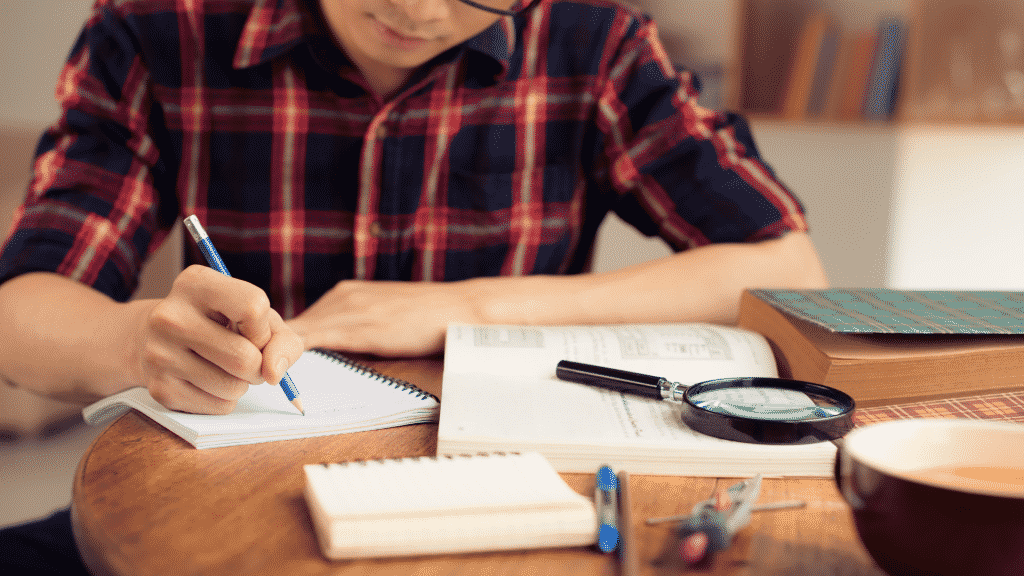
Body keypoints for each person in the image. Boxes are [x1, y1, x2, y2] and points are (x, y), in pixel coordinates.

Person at [0, 0, 827, 572]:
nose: (423, 11)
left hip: (513, 512)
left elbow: (785, 266)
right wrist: (139, 339)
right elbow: (20, 310)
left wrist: (471, 305)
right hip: (221, 508)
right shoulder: (156, 28)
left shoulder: (592, 40)